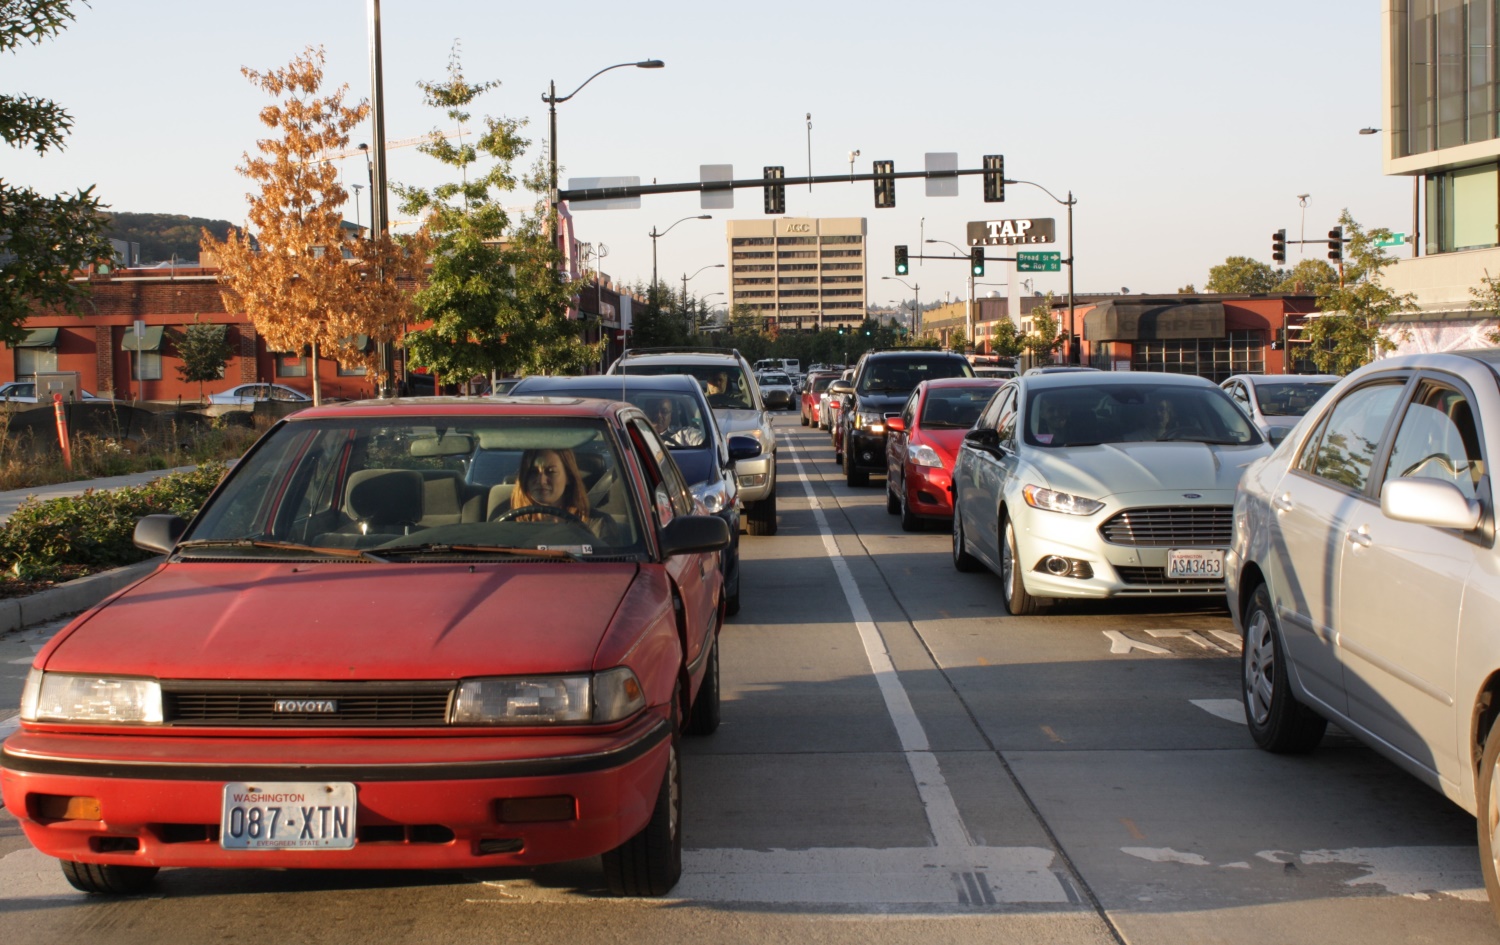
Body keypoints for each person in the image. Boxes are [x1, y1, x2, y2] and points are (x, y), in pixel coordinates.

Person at [499, 447, 620, 542]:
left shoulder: (597, 525)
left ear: (568, 477)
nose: (541, 480)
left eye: (551, 471)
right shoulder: (506, 525)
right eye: (533, 472)